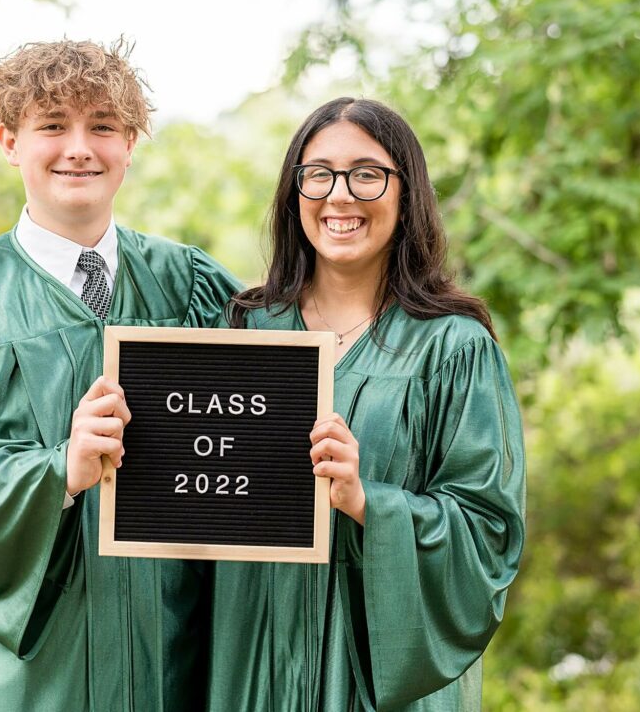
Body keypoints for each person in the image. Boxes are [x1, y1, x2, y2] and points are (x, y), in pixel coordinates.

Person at [0, 39, 239, 711]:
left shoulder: (190, 284)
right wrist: (57, 472)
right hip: (25, 670)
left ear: (130, 144)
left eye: (102, 125)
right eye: (52, 125)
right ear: (10, 141)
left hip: (166, 648)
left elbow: (269, 413)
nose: (79, 148)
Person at [208, 98, 526, 711]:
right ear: (294, 191)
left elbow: (487, 533)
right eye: (319, 173)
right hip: (253, 659)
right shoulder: (247, 328)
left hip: (380, 681)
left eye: (367, 173)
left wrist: (366, 503)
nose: (340, 196)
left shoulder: (453, 348)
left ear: (407, 193)